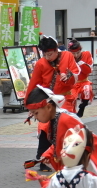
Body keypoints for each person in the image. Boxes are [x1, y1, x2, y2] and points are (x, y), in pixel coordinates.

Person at [25, 35, 80, 173]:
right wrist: (29, 105)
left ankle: (68, 158)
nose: (47, 57)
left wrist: (68, 76)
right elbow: (33, 85)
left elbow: (76, 73)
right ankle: (42, 159)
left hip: (65, 100)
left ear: (56, 50)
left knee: (65, 128)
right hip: (47, 101)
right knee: (45, 128)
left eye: (50, 54)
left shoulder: (67, 56)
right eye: (45, 54)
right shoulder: (40, 64)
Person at [67, 39, 94, 117]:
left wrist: (81, 64)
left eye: (78, 53)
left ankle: (82, 106)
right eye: (73, 53)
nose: (76, 55)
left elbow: (89, 71)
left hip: (84, 81)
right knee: (70, 99)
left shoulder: (86, 54)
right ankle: (72, 115)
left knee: (87, 91)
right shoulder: (67, 57)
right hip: (72, 83)